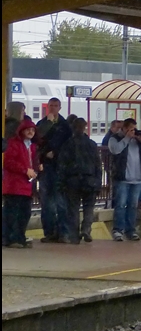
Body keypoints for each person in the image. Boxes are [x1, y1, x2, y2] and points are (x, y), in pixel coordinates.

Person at [107, 117, 141, 242]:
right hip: (122, 177)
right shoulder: (115, 138)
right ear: (124, 129)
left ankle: (131, 230)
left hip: (137, 178)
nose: (133, 132)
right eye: (130, 129)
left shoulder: (138, 140)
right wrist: (126, 138)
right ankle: (118, 230)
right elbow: (115, 150)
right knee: (121, 205)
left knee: (133, 205)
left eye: (134, 129)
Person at [58, 117, 103, 244]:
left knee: (73, 208)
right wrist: (98, 182)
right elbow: (98, 165)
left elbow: (62, 165)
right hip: (90, 179)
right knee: (89, 207)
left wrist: (61, 182)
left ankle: (74, 235)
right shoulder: (92, 144)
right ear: (85, 128)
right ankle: (86, 229)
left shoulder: (67, 144)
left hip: (73, 180)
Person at [35, 97, 72, 243]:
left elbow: (69, 145)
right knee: (46, 202)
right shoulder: (41, 124)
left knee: (61, 202)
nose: (53, 108)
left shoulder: (65, 126)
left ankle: (63, 233)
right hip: (46, 167)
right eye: (51, 105)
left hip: (60, 167)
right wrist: (45, 154)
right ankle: (49, 232)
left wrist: (56, 152)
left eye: (56, 105)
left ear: (60, 107)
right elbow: (37, 141)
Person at [3, 119, 38, 248]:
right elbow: (9, 162)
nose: (31, 132)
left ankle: (19, 236)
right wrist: (25, 170)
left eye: (33, 130)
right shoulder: (14, 144)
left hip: (26, 186)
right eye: (28, 129)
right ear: (21, 131)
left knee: (24, 213)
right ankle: (9, 238)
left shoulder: (32, 146)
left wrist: (35, 169)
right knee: (12, 213)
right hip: (14, 185)